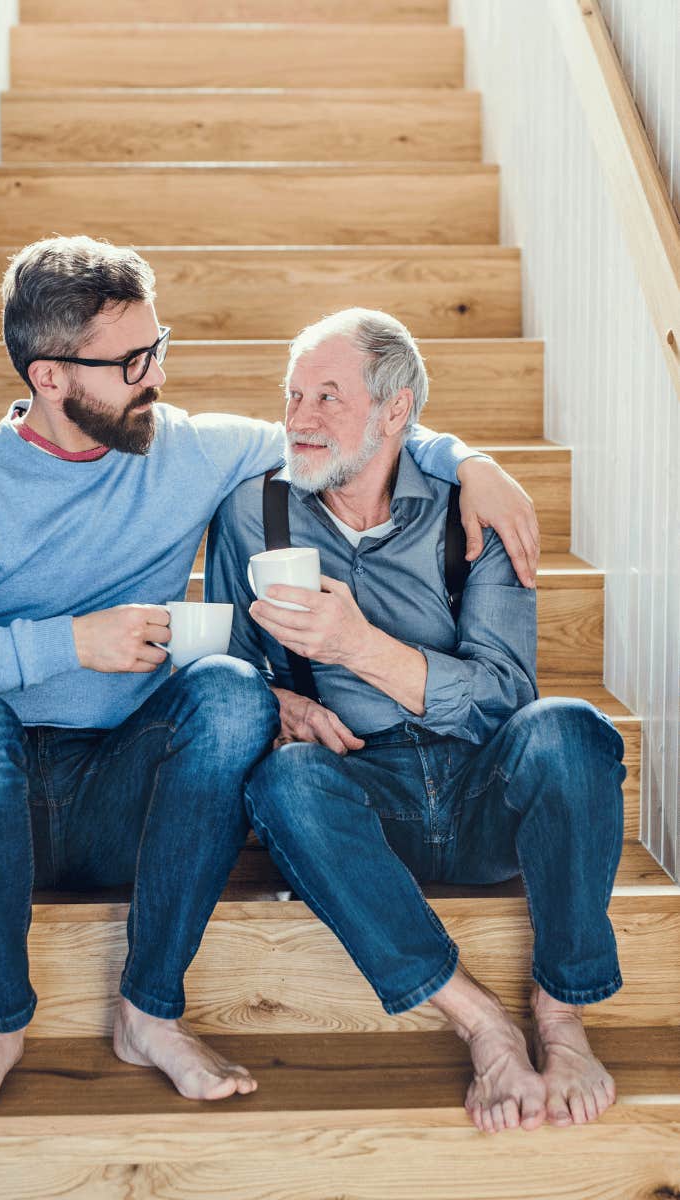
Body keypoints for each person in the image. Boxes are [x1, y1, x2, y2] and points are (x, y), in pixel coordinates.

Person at [0, 237, 540, 1126]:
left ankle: (150, 1009)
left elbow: (348, 429)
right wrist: (66, 643)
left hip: (119, 800)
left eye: (158, 347)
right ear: (51, 378)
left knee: (228, 689)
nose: (156, 378)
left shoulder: (189, 450)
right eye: (131, 363)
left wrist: (468, 461)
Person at [205, 307, 626, 1136]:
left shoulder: (474, 512)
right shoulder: (253, 515)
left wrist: (360, 646)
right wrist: (275, 699)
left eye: (329, 395)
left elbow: (508, 698)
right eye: (293, 395)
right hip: (361, 798)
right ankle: (482, 1023)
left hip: (479, 792)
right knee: (284, 780)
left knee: (570, 729)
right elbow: (226, 663)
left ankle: (562, 1014)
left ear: (396, 411)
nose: (299, 418)